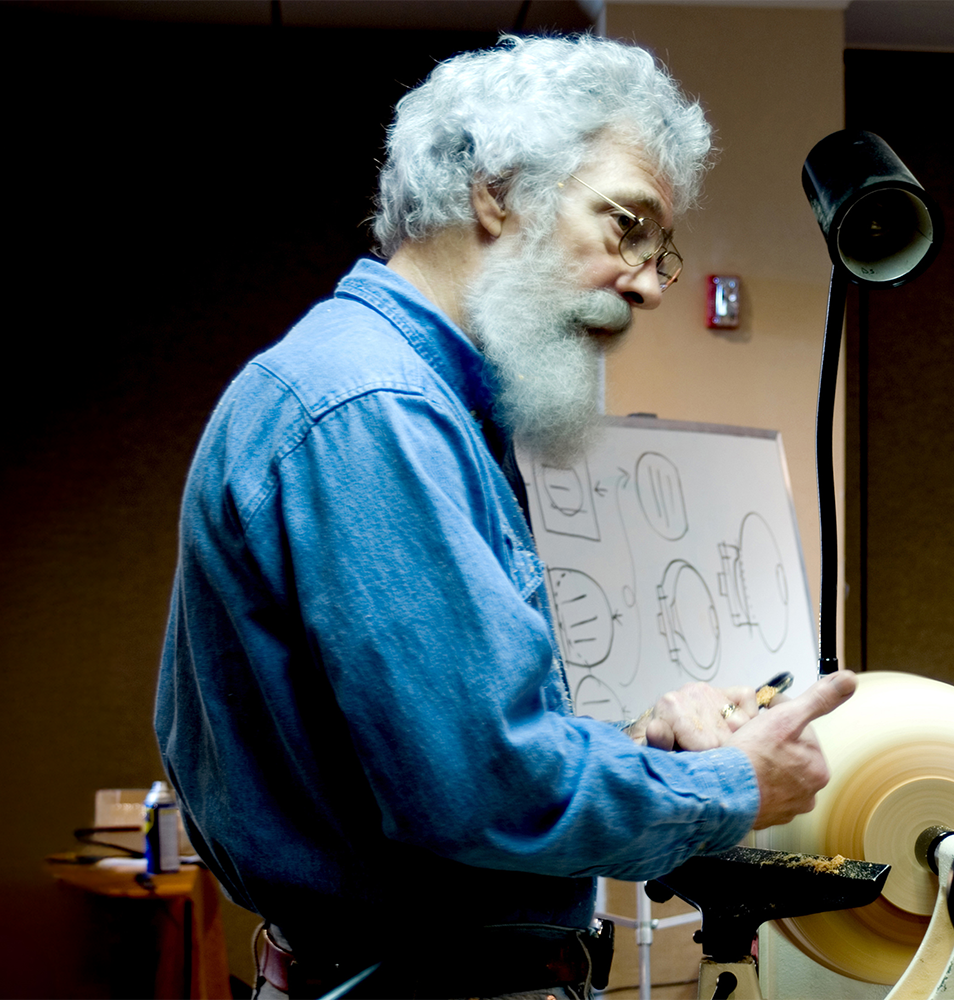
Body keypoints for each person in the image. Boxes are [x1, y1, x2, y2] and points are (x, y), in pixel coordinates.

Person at [154, 33, 856, 1000]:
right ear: (496, 190)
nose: (650, 284)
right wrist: (733, 782)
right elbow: (481, 792)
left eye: (660, 249)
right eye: (627, 225)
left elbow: (452, 756)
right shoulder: (375, 410)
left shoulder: (398, 397)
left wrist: (641, 748)